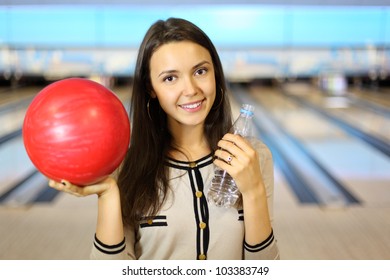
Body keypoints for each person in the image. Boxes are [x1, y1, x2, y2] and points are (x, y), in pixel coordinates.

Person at [49, 17, 280, 260]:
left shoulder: (253, 156)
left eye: (200, 71)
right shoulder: (127, 167)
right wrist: (107, 195)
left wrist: (253, 191)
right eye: (170, 78)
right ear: (151, 88)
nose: (190, 89)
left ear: (215, 73)